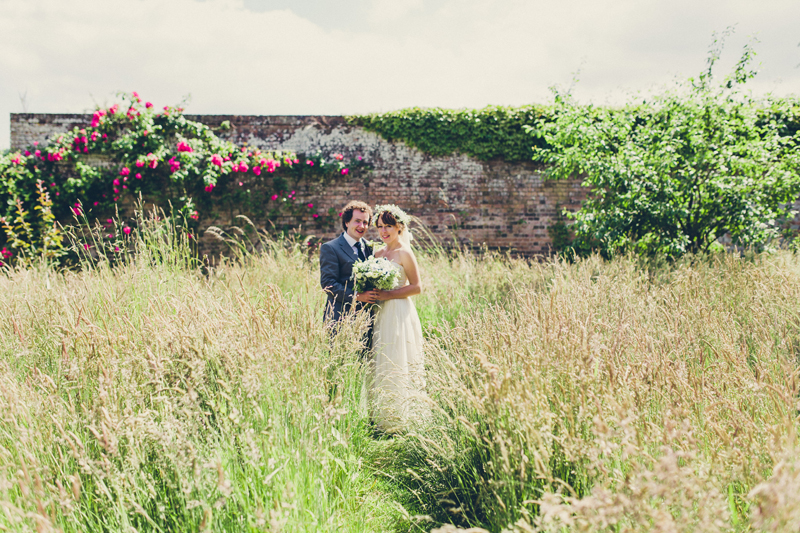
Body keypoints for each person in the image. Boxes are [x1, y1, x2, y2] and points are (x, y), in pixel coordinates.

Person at [369, 204, 427, 434]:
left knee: (398, 357)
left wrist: (388, 295)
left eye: (389, 226)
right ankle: (382, 415)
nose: (384, 231)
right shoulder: (377, 253)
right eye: (380, 226)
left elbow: (417, 287)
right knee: (381, 356)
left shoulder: (405, 253)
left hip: (399, 309)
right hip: (380, 311)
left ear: (400, 227)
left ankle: (402, 418)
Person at [319, 200, 379, 327]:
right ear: (346, 222)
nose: (361, 226)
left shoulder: (370, 248)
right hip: (339, 317)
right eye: (357, 221)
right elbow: (328, 284)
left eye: (365, 222)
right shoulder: (330, 248)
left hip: (367, 319)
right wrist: (358, 296)